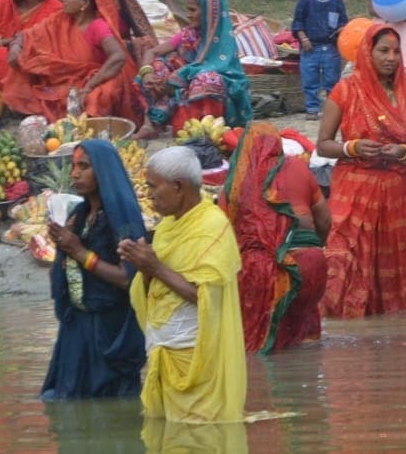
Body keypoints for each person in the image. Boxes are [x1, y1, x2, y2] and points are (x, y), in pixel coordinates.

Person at [121, 146, 246, 422]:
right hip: (162, 353)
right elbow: (157, 288)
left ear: (178, 187)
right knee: (167, 435)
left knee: (201, 434)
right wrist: (144, 267)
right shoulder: (167, 226)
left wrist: (155, 266)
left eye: (153, 186)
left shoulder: (213, 227)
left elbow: (206, 298)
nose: (148, 194)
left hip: (196, 358)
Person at [318, 24, 406, 316]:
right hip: (354, 189)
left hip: (395, 194)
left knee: (389, 267)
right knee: (344, 257)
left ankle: (387, 330)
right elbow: (323, 145)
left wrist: (402, 152)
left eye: (396, 52)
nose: (391, 58)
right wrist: (352, 148)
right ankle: (341, 327)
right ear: (367, 53)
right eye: (383, 50)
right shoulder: (346, 90)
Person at [41, 139, 147, 400]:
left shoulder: (122, 217)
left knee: (107, 401)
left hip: (110, 329)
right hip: (77, 326)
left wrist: (79, 252)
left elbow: (128, 278)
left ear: (103, 171)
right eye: (73, 166)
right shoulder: (79, 213)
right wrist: (63, 248)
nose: (75, 174)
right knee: (64, 398)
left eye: (84, 166)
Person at [222, 122, 331, 353]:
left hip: (266, 270)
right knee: (306, 340)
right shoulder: (299, 167)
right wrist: (314, 248)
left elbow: (225, 234)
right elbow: (324, 221)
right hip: (312, 263)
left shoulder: (237, 182)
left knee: (262, 346)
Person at [2, 0, 142, 123]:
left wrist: (89, 86)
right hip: (63, 80)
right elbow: (28, 34)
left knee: (101, 94)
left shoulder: (98, 27)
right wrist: (16, 46)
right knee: (29, 73)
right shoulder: (59, 19)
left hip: (93, 80)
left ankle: (89, 123)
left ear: (85, 3)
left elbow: (118, 56)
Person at [140, 0, 253, 131]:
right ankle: (150, 125)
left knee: (207, 79)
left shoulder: (224, 40)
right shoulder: (187, 35)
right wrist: (147, 73)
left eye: (193, 10)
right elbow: (152, 52)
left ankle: (205, 130)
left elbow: (216, 68)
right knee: (157, 68)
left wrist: (176, 78)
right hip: (184, 83)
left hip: (221, 90)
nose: (188, 15)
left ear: (208, 13)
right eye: (187, 10)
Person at [293, 0, 347, 117]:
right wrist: (304, 39)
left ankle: (332, 109)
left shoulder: (337, 2)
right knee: (310, 79)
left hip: (331, 48)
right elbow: (298, 23)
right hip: (310, 48)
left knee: (332, 80)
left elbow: (343, 23)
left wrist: (342, 30)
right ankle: (312, 108)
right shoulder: (305, 1)